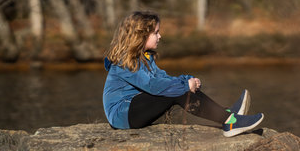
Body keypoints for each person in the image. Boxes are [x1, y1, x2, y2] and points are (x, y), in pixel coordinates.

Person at [102, 11, 264, 137]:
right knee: (176, 91)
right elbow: (153, 86)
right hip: (122, 115)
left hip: (133, 108)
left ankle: (226, 114)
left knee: (179, 88)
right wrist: (184, 86)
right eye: (156, 32)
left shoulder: (145, 57)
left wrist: (186, 80)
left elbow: (161, 78)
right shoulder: (125, 62)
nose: (160, 36)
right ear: (141, 35)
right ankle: (230, 122)